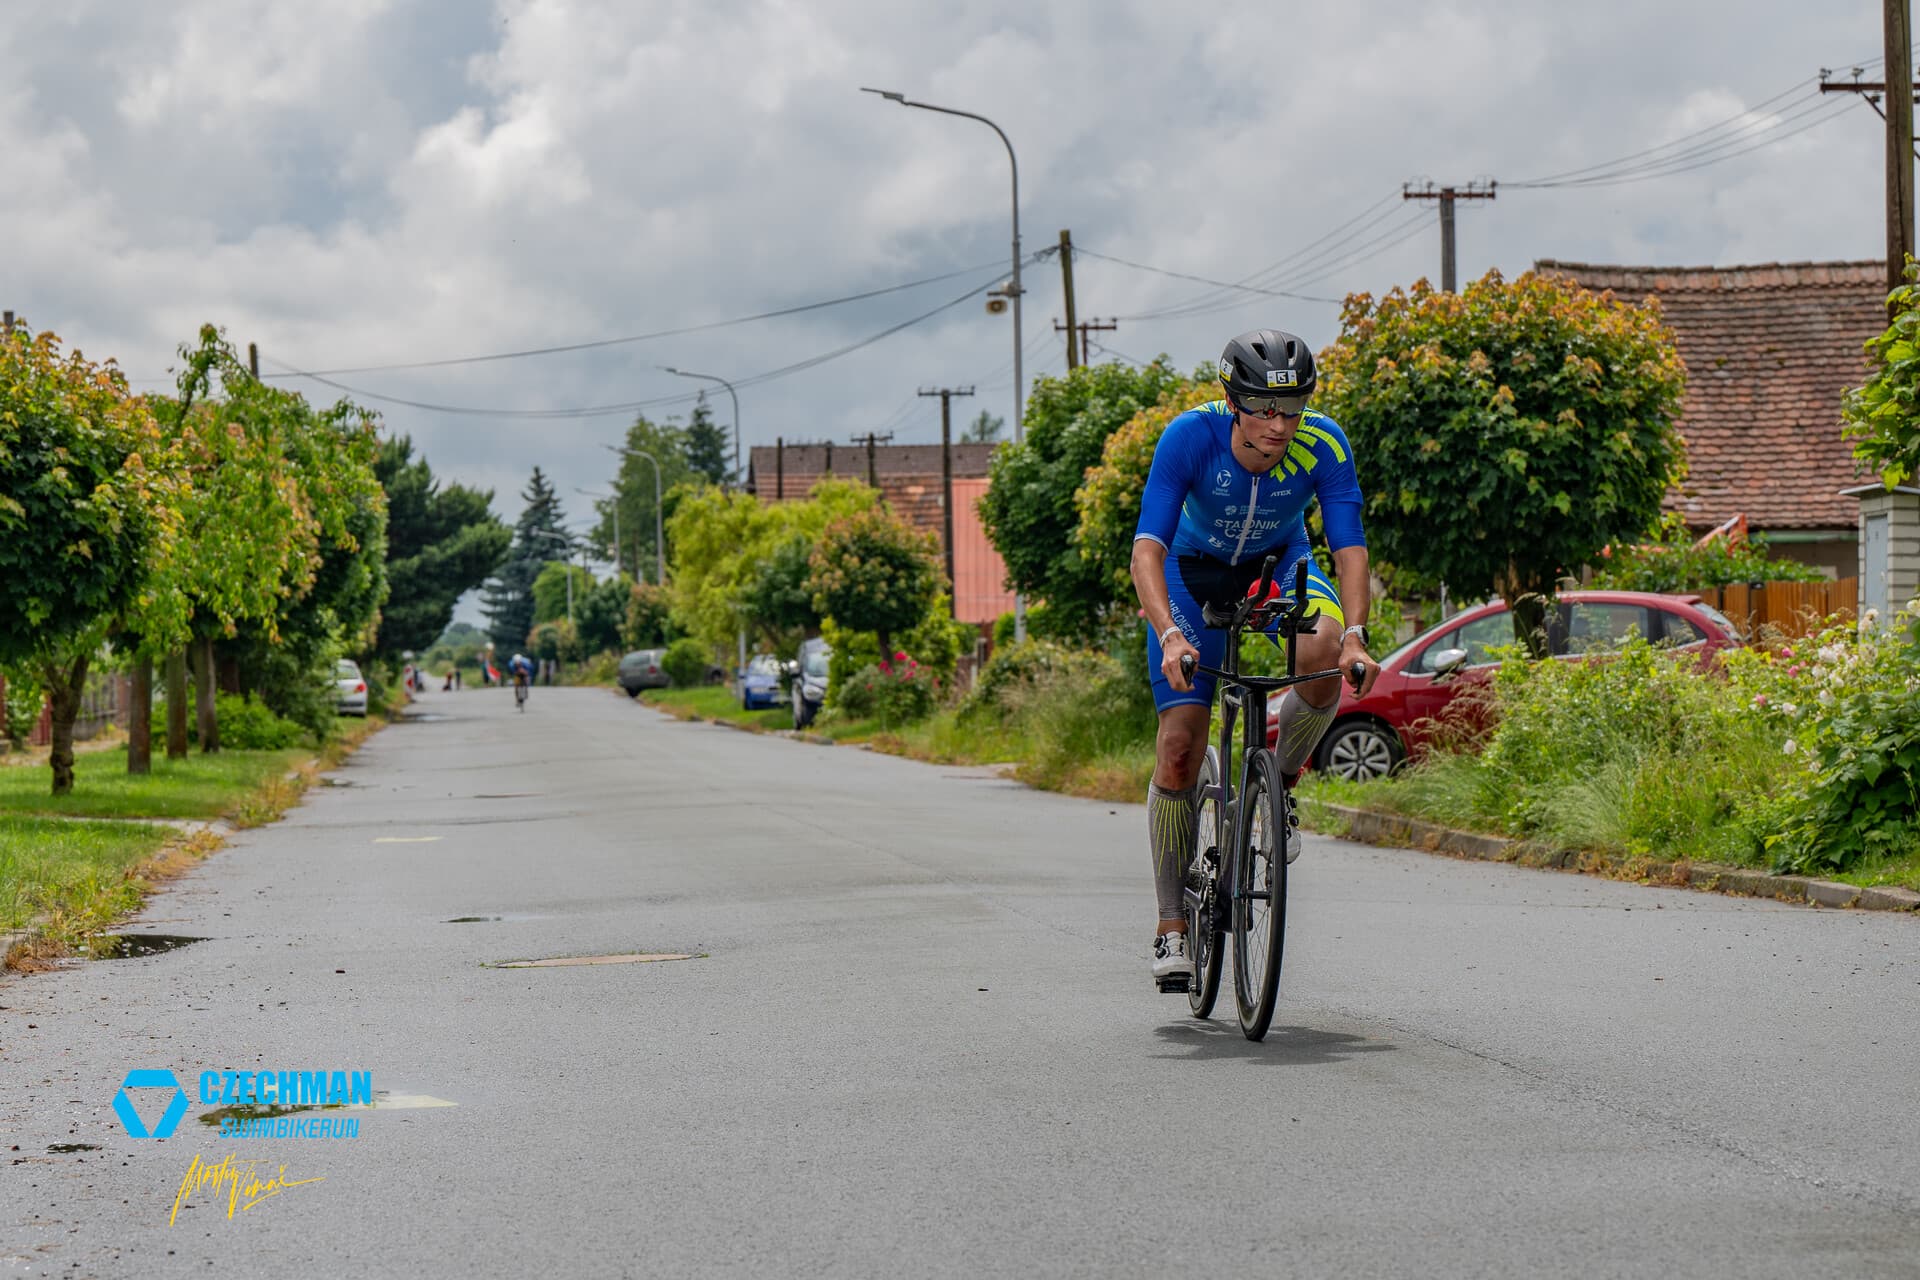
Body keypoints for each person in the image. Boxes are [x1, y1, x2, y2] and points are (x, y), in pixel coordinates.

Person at [1129, 329, 1382, 989]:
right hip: (1194, 575)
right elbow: (1147, 550)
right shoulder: (1190, 436)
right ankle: (1169, 926)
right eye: (1265, 409)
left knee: (1324, 655)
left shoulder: (1323, 444)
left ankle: (1283, 784)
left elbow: (1349, 548)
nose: (1280, 424)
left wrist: (1355, 632)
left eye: (1293, 408)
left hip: (1277, 570)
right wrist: (1169, 635)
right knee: (1181, 743)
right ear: (1234, 402)